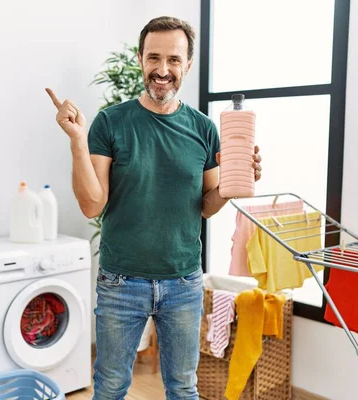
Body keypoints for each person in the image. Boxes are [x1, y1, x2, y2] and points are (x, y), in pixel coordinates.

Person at [46, 15, 262, 400]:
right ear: (141, 59)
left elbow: (207, 207)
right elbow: (92, 205)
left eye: (174, 60)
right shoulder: (111, 122)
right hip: (121, 283)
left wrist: (231, 183)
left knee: (183, 387)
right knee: (111, 386)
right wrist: (78, 141)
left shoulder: (204, 128)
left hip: (183, 282)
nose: (163, 70)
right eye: (154, 58)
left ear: (188, 65)